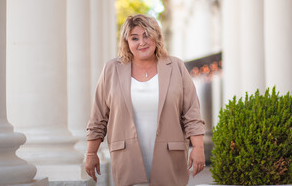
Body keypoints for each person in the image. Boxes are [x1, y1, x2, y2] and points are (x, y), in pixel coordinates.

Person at [85, 14, 205, 186]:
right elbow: (98, 117)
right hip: (126, 158)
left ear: (156, 37)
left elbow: (192, 112)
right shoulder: (111, 70)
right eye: (135, 38)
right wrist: (91, 154)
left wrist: (198, 148)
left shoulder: (176, 66)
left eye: (147, 35)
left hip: (170, 158)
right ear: (127, 42)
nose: (142, 42)